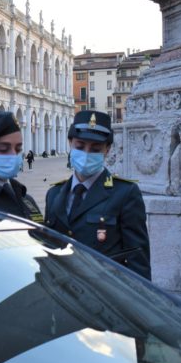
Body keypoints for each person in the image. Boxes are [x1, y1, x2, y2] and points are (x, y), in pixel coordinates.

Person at [44, 110, 151, 279]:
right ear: (70, 143)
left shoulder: (125, 193)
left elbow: (138, 260)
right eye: (80, 146)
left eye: (95, 149)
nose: (86, 153)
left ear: (107, 149)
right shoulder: (54, 194)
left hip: (105, 295)